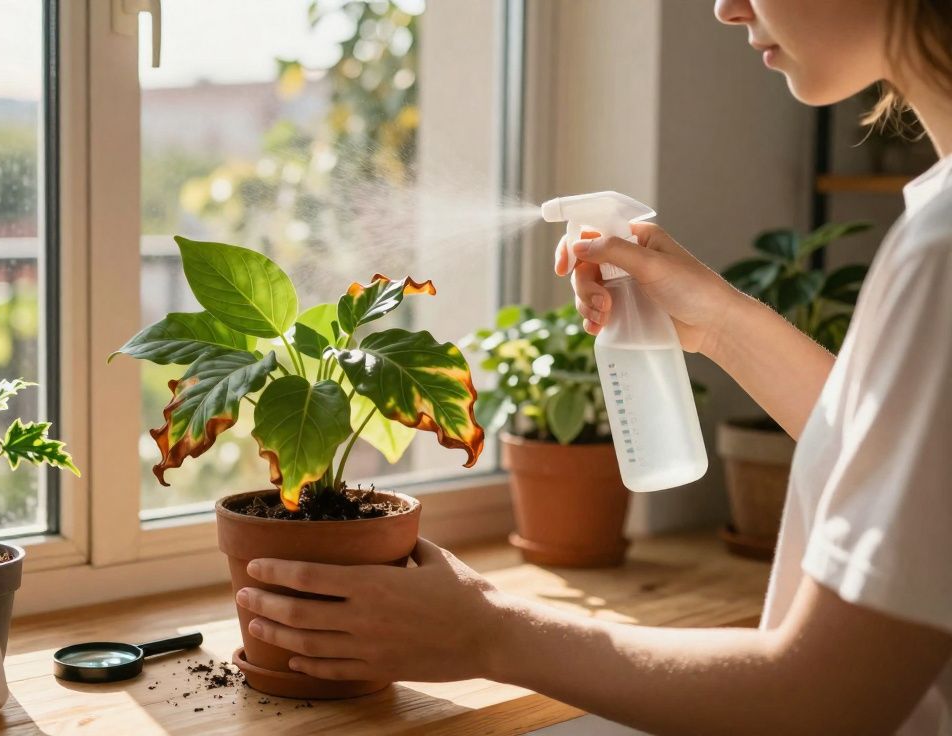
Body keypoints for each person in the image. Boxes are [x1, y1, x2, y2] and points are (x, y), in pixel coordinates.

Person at [233, 1, 952, 733]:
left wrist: (487, 630)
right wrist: (723, 325)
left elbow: (823, 699)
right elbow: (911, 463)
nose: (726, 7)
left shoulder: (941, 250)